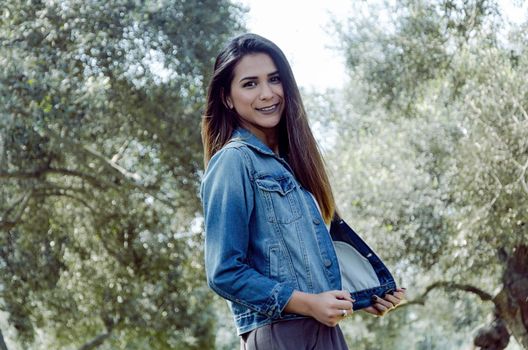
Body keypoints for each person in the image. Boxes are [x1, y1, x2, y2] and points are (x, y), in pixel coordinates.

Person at [200, 33, 406, 350]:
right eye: (250, 84)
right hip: (280, 335)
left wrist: (364, 296)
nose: (267, 93)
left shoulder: (293, 165)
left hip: (324, 333)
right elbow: (224, 271)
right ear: (227, 98)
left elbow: (302, 266)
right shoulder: (233, 162)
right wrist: (308, 304)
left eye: (274, 79)